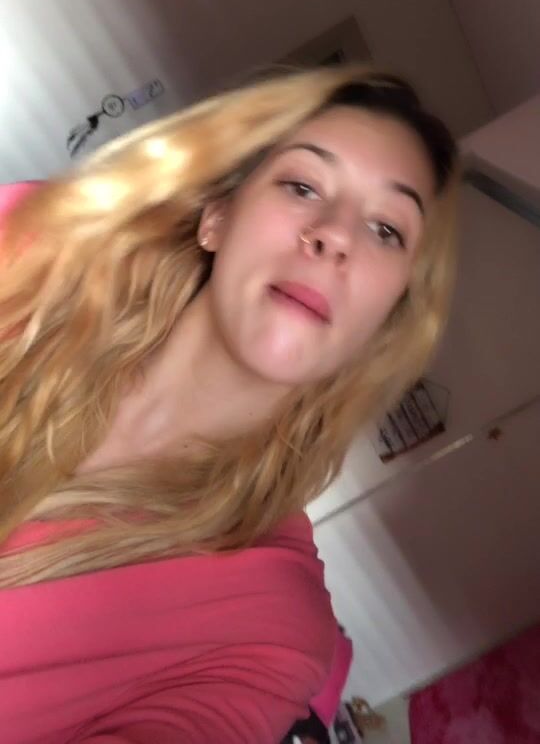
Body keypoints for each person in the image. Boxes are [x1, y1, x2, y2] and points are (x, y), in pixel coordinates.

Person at [0, 64, 458, 743]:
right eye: (303, 185)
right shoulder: (30, 251)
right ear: (217, 218)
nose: (334, 235)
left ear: (384, 320)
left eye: (386, 229)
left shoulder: (269, 631)